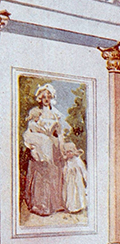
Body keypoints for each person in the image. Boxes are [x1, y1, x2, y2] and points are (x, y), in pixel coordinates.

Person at [22, 83, 66, 217]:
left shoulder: (56, 113)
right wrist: (33, 147)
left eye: (48, 96)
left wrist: (61, 145)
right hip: (41, 148)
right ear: (40, 98)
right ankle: (40, 205)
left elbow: (60, 133)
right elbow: (29, 131)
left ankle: (55, 204)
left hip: (53, 147)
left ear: (51, 97)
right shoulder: (36, 112)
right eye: (44, 97)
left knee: (54, 173)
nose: (46, 99)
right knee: (41, 175)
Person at [62, 141, 87, 213]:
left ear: (74, 151)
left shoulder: (77, 160)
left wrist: (85, 178)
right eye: (67, 152)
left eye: (71, 151)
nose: (69, 153)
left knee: (77, 191)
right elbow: (65, 169)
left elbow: (83, 170)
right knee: (70, 192)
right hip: (70, 179)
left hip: (77, 178)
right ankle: (71, 207)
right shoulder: (68, 161)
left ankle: (79, 206)